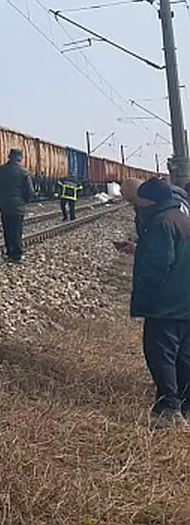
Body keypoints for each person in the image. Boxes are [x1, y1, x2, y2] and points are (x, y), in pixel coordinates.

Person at [124, 178, 190, 428]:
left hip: (166, 304)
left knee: (160, 354)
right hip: (185, 302)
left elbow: (157, 266)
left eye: (139, 199)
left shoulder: (161, 223)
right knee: (184, 356)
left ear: (148, 200)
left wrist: (144, 297)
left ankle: (169, 409)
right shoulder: (182, 219)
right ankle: (185, 404)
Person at [0, 148, 33, 263]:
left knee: (7, 230)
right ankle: (17, 254)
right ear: (19, 159)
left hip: (5, 205)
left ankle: (9, 252)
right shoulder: (24, 172)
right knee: (16, 231)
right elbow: (30, 191)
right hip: (18, 205)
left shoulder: (0, 171)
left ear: (9, 157)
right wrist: (25, 201)